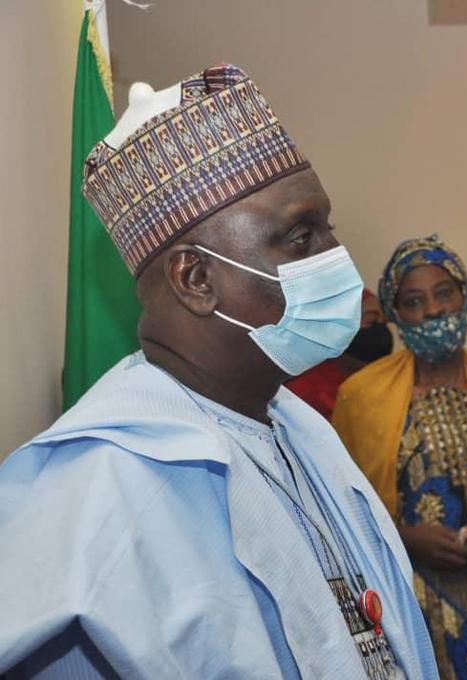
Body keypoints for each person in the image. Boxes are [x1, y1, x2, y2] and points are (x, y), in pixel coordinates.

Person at [0, 64, 437, 679]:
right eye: (300, 237)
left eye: (327, 229)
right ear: (196, 279)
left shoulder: (298, 428)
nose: (336, 258)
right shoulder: (99, 494)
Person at [333, 235, 467, 680]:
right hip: (413, 596)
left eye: (444, 294)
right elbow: (343, 507)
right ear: (396, 314)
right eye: (414, 301)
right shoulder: (362, 396)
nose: (434, 310)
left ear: (463, 296)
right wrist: (404, 539)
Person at [286, 290, 393, 418]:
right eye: (371, 320)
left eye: (384, 322)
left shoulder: (392, 385)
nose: (379, 329)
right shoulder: (298, 392)